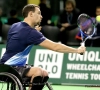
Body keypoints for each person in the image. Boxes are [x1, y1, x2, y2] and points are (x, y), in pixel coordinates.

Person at [0, 4, 85, 90]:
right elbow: (55, 47)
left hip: (6, 65)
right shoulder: (31, 33)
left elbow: (19, 38)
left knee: (44, 73)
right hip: (10, 67)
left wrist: (33, 31)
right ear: (31, 14)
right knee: (38, 72)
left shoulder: (15, 26)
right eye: (39, 13)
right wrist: (77, 50)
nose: (41, 16)